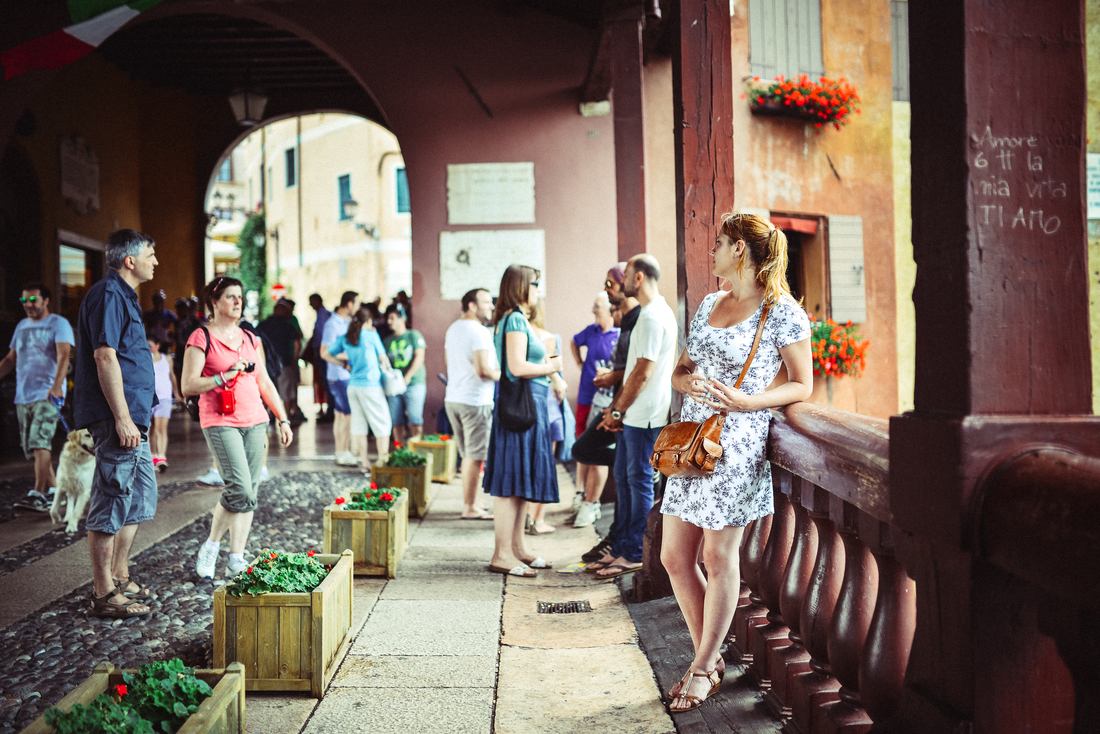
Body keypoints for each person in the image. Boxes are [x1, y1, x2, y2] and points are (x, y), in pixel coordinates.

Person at [661, 212, 812, 713]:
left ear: (742, 251)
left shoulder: (782, 311)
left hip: (737, 442)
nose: (713, 250)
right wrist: (686, 384)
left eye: (721, 243)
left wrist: (748, 402)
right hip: (692, 438)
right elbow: (683, 370)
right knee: (674, 558)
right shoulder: (709, 303)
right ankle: (711, 655)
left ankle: (702, 665)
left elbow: (802, 383)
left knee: (718, 558)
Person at [183, 276, 294, 580]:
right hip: (219, 419)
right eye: (230, 297)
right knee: (240, 488)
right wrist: (223, 377)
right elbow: (188, 385)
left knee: (251, 489)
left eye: (239, 297)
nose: (237, 302)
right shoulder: (200, 338)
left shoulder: (249, 338)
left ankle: (236, 557)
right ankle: (212, 544)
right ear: (214, 303)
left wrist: (282, 417)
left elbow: (264, 381)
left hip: (255, 418)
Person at [74, 229, 159, 618]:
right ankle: (103, 592)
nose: (155, 261)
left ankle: (119, 574)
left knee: (140, 497)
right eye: (150, 255)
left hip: (135, 418)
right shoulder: (109, 294)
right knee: (112, 497)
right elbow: (105, 356)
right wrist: (122, 418)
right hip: (117, 419)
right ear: (130, 260)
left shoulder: (125, 296)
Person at [593, 254, 678, 581]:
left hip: (645, 415)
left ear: (639, 277)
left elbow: (642, 373)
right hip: (636, 414)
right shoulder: (650, 314)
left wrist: (617, 410)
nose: (623, 278)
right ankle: (623, 547)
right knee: (626, 481)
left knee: (638, 482)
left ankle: (633, 553)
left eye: (627, 273)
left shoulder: (654, 316)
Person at [483, 265, 562, 577]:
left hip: (526, 409)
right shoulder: (515, 318)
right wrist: (551, 367)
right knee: (508, 483)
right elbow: (516, 367)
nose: (538, 290)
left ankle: (517, 548)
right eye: (535, 284)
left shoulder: (513, 318)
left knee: (516, 482)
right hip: (521, 410)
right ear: (520, 286)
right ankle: (502, 553)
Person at [575, 263, 639, 564]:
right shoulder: (625, 321)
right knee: (584, 450)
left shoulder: (641, 319)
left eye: (610, 283)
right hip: (614, 407)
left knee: (631, 477)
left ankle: (625, 545)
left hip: (627, 411)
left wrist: (616, 407)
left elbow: (643, 370)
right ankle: (617, 539)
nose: (607, 288)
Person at [0, 282, 74, 512]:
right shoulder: (22, 326)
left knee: (40, 442)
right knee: (33, 449)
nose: (28, 305)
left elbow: (64, 355)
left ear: (46, 300)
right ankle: (55, 491)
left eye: (33, 300)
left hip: (47, 393)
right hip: (24, 394)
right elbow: (11, 359)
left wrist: (57, 386)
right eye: (24, 301)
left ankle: (38, 493)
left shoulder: (58, 324)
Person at [444, 288, 499, 520]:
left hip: (454, 398)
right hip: (474, 401)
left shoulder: (454, 328)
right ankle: (470, 506)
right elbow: (483, 370)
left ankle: (472, 502)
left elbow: (449, 363)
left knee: (468, 455)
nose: (491, 306)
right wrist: (505, 375)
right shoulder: (479, 331)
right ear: (472, 305)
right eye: (486, 302)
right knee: (474, 457)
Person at [569, 291, 619, 528]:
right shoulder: (590, 331)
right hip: (589, 395)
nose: (594, 310)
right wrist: (580, 364)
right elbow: (573, 341)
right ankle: (582, 495)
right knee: (582, 447)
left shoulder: (619, 334)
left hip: (609, 403)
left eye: (598, 306)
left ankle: (591, 501)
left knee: (596, 449)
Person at [322, 307, 393, 470]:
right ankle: (383, 460)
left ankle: (364, 461)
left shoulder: (346, 338)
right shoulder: (371, 335)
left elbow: (325, 354)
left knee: (359, 424)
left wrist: (344, 364)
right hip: (371, 387)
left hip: (353, 386)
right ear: (368, 322)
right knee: (382, 423)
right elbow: (383, 359)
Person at [526, 298, 569, 536]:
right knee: (545, 463)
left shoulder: (518, 336)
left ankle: (524, 516)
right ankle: (537, 518)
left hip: (525, 406)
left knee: (527, 463)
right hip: (548, 406)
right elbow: (557, 379)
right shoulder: (548, 338)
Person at [322, 291, 360, 466]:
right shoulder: (332, 324)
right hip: (339, 377)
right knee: (345, 416)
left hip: (342, 376)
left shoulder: (347, 323)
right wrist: (344, 363)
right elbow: (325, 352)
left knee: (341, 415)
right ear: (349, 304)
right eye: (357, 304)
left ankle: (341, 451)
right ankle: (342, 452)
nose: (358, 308)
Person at [383, 304, 427, 443]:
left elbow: (419, 357)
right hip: (394, 386)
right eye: (388, 318)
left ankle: (417, 452)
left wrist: (407, 378)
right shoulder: (387, 341)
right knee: (396, 421)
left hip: (413, 383)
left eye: (392, 318)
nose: (389, 321)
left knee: (415, 419)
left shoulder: (413, 335)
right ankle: (399, 449)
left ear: (402, 318)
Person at [258, 298, 304, 424]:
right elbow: (297, 344)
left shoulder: (263, 325)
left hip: (267, 364)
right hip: (285, 363)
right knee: (287, 393)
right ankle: (286, 417)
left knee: (267, 390)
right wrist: (294, 360)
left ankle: (268, 417)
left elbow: (256, 342)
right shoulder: (288, 325)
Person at [147, 333, 181, 472]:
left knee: (161, 428)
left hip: (164, 397)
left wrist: (177, 393)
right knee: (150, 429)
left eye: (150, 345)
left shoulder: (167, 359)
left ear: (157, 346)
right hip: (148, 398)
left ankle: (161, 457)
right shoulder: (145, 359)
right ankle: (152, 456)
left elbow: (172, 376)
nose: (148, 348)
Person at [305, 293, 333, 422]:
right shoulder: (321, 315)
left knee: (326, 382)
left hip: (322, 354)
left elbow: (322, 337)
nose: (310, 305)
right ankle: (329, 410)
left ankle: (330, 411)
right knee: (323, 382)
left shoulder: (323, 315)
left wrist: (319, 352)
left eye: (312, 301)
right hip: (320, 353)